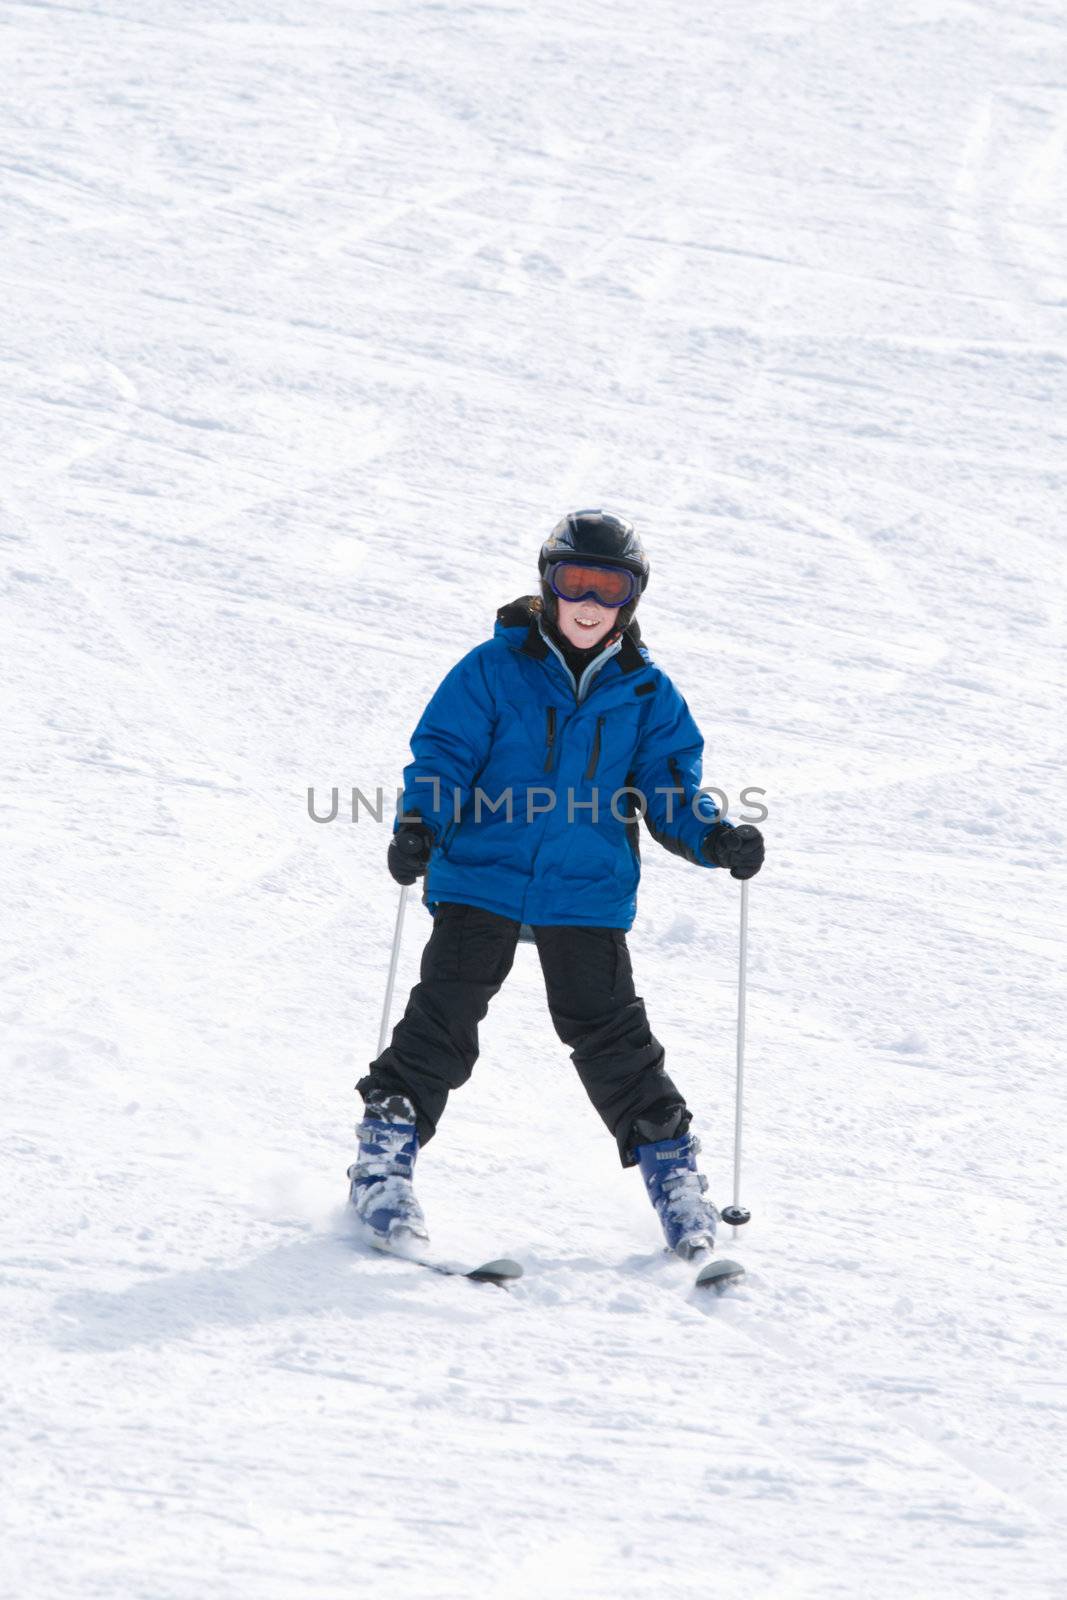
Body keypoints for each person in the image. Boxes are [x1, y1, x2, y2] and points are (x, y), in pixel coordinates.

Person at [348, 510, 764, 1260]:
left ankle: (674, 1177)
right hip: (482, 874)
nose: (589, 602)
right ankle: (385, 1155)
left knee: (611, 1035)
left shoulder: (644, 693)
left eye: (609, 587)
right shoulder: (492, 668)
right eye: (576, 581)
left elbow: (669, 789)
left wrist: (712, 836)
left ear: (630, 600)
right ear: (548, 583)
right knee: (444, 1017)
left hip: (584, 888)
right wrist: (421, 824)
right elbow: (443, 755)